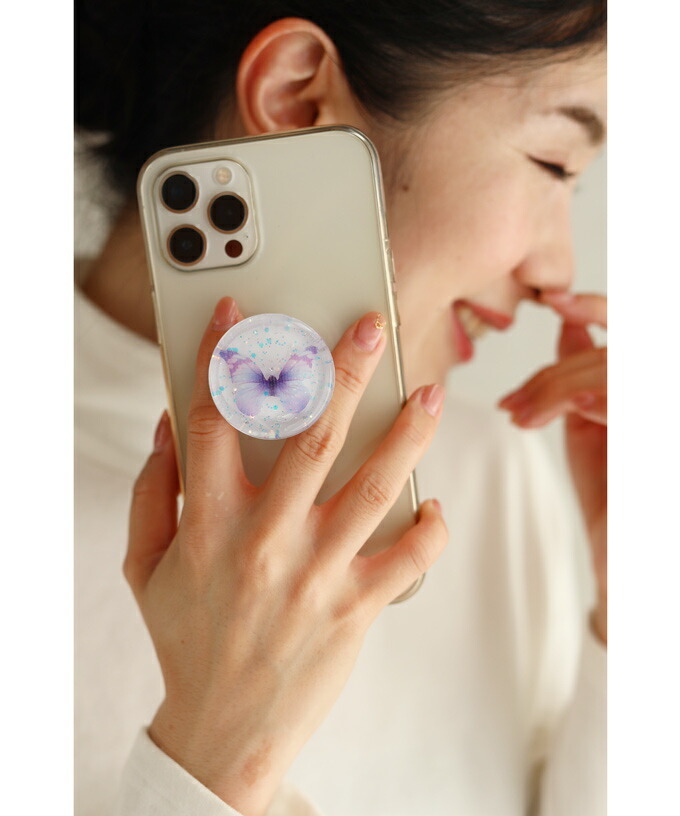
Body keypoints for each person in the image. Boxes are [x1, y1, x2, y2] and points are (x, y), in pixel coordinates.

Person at [75, 2, 607, 815]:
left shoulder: (488, 470)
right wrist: (214, 757)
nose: (557, 272)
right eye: (554, 162)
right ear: (298, 100)